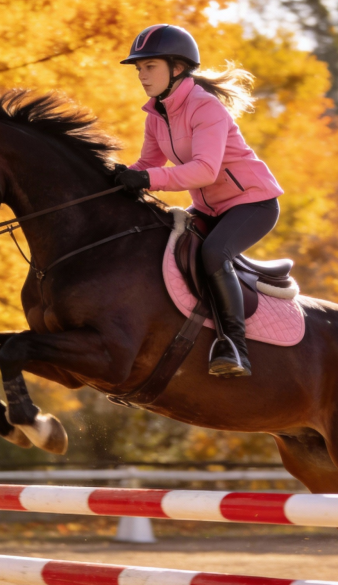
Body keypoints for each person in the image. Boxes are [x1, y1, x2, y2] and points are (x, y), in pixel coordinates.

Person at [115, 24, 283, 378]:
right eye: (139, 69)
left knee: (212, 253)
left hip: (253, 203)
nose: (142, 76)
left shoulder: (206, 108)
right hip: (210, 208)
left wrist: (146, 179)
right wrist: (113, 178)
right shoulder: (156, 114)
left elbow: (205, 170)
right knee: (160, 239)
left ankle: (235, 346)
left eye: (150, 67)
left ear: (177, 68)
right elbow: (148, 165)